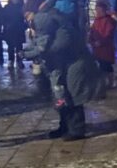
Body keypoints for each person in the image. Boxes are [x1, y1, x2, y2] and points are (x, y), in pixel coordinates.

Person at [25, 10, 102, 140]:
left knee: (73, 96)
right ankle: (65, 126)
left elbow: (53, 48)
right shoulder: (54, 28)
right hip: (66, 66)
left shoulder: (63, 32)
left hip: (77, 65)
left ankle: (76, 129)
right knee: (62, 96)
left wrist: (34, 52)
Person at [89, 0, 117, 87]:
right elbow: (92, 32)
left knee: (107, 65)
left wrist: (100, 42)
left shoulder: (108, 21)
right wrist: (91, 41)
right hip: (98, 48)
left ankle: (111, 82)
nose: (97, 11)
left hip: (106, 48)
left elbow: (108, 34)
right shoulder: (97, 21)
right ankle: (105, 83)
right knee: (102, 65)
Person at [0, 0, 27, 69]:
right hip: (10, 29)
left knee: (19, 46)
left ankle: (19, 60)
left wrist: (24, 26)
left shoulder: (22, 7)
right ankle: (11, 60)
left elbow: (25, 18)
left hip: (18, 29)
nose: (15, 0)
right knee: (10, 46)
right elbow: (2, 18)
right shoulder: (7, 7)